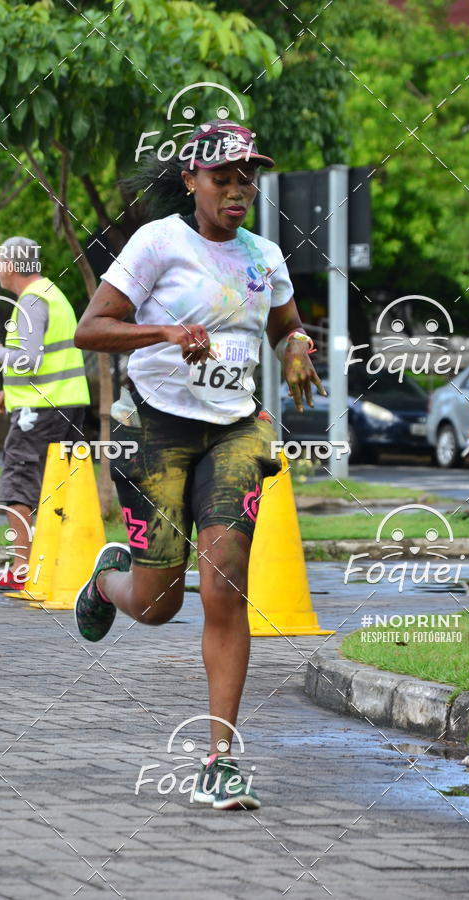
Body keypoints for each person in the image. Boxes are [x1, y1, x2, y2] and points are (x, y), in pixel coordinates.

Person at [73, 122, 325, 810]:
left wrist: (298, 346)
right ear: (191, 180)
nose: (238, 188)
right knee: (160, 603)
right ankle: (108, 579)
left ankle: (221, 758)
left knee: (225, 586)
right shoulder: (159, 243)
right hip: (154, 427)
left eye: (248, 176)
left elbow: (284, 326)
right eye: (223, 176)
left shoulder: (265, 255)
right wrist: (165, 331)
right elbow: (89, 329)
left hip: (236, 433)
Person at [0, 236, 90, 590]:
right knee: (54, 487)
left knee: (18, 483)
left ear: (12, 266)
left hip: (41, 410)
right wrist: (8, 393)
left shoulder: (30, 302)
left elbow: (28, 359)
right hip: (63, 404)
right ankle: (54, 565)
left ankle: (21, 570)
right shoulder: (51, 295)